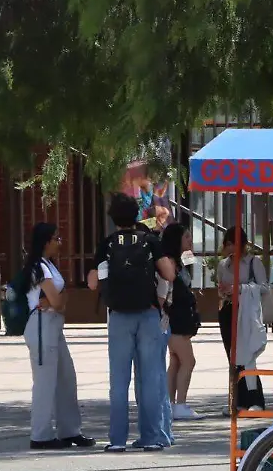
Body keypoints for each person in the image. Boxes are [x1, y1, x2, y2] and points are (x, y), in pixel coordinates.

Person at [86, 193, 176, 452]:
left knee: (119, 380)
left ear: (113, 218)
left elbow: (93, 283)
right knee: (149, 377)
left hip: (118, 317)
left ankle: (117, 440)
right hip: (148, 314)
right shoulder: (149, 241)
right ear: (137, 215)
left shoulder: (107, 244)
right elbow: (168, 274)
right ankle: (152, 437)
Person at [22, 223, 94, 449]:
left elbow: (58, 300)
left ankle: (69, 430)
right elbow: (57, 301)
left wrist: (59, 300)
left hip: (54, 325)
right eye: (56, 238)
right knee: (45, 382)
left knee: (66, 378)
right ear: (45, 242)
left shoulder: (48, 266)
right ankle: (40, 435)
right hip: (43, 326)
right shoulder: (39, 267)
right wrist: (60, 300)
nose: (60, 242)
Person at [217, 228, 270, 414]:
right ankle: (237, 400)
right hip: (228, 311)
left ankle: (256, 400)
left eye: (234, 244)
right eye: (228, 244)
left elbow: (264, 287)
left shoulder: (253, 262)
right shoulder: (223, 264)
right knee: (233, 358)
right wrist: (224, 290)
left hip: (246, 311)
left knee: (248, 356)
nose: (231, 248)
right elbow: (221, 287)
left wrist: (240, 288)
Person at [160, 223, 204, 421]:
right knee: (189, 360)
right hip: (173, 320)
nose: (189, 241)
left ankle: (169, 403)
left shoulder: (180, 261)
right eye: (186, 237)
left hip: (180, 320)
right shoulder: (168, 262)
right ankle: (180, 404)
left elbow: (189, 281)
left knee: (176, 361)